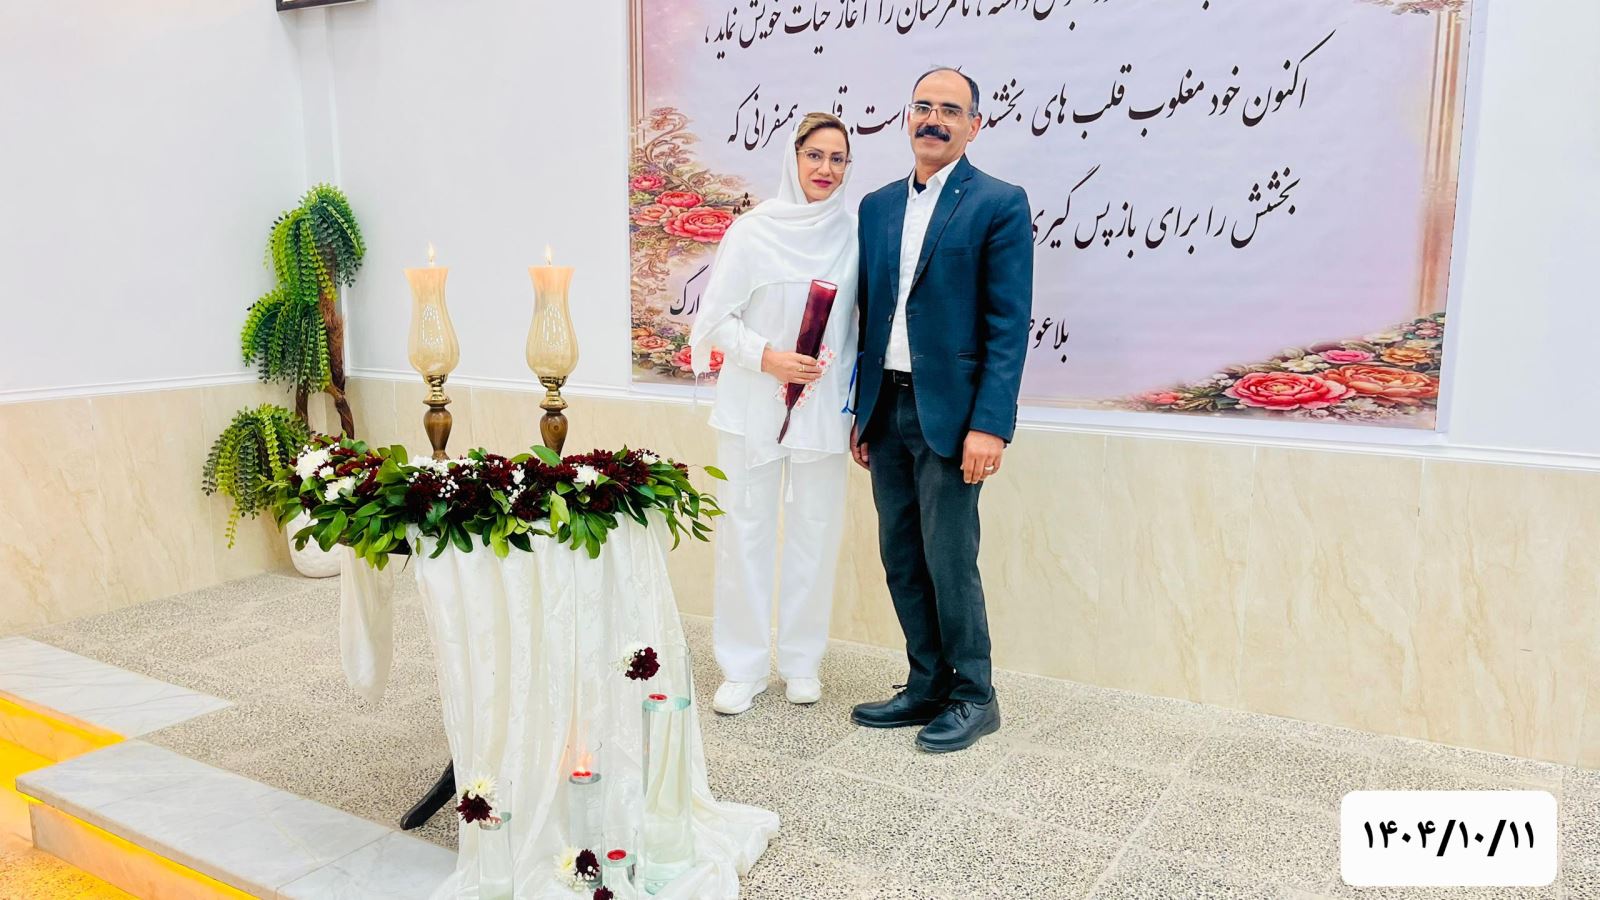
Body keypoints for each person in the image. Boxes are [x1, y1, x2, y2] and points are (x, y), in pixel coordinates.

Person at [848, 68, 1033, 752]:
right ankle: (926, 683)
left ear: (974, 125)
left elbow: (1007, 325)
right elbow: (868, 315)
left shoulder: (999, 203)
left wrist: (990, 424)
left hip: (953, 419)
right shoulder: (876, 207)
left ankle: (975, 695)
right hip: (885, 409)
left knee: (950, 559)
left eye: (950, 110)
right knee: (901, 556)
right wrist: (861, 411)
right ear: (907, 118)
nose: (934, 119)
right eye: (923, 106)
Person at [688, 113, 859, 715]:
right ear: (794, 157)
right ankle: (742, 667)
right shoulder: (753, 232)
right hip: (752, 406)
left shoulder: (853, 234)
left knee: (816, 532)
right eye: (815, 155)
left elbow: (859, 324)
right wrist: (769, 359)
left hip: (823, 409)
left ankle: (802, 663)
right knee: (745, 531)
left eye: (838, 159)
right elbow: (714, 320)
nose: (825, 169)